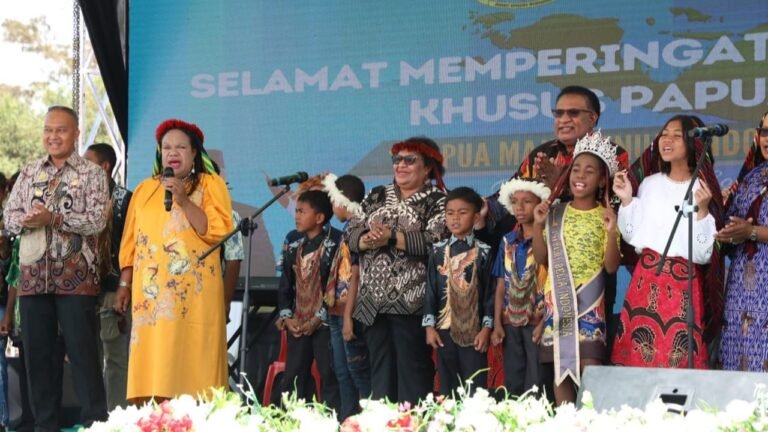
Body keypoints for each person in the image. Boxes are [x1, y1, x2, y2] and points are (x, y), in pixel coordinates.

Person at [2, 106, 109, 430]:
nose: (53, 136)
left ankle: (94, 424)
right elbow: (8, 219)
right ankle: (44, 426)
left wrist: (54, 219)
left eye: (61, 130)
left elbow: (97, 220)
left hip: (77, 280)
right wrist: (28, 220)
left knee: (83, 357)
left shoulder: (92, 174)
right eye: (48, 130)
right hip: (33, 280)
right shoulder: (29, 172)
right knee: (38, 361)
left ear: (76, 133)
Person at [114, 118, 234, 401]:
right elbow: (131, 242)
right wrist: (124, 284)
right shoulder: (145, 189)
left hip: (194, 297)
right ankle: (156, 416)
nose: (173, 153)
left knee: (194, 365)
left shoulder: (210, 184)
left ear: (194, 152)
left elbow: (217, 232)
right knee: (154, 364)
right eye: (167, 147)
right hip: (151, 296)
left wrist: (184, 200)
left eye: (181, 147)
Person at [611, 115, 724, 369]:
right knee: (640, 355)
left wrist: (703, 211)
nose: (667, 140)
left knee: (680, 358)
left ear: (693, 143)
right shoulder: (649, 184)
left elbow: (705, 254)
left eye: (676, 135)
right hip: (646, 280)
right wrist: (627, 200)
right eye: (664, 134)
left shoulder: (702, 189)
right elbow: (631, 235)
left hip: (684, 283)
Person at [347, 136, 448, 403]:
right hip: (372, 302)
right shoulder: (376, 195)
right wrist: (367, 239)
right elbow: (350, 232)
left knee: (412, 370)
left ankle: (413, 420)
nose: (400, 165)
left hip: (413, 302)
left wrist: (392, 237)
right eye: (397, 160)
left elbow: (437, 241)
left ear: (428, 167)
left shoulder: (438, 200)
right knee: (379, 373)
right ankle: (383, 421)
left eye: (409, 160)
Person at [531, 130, 621, 405]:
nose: (580, 176)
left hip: (590, 304)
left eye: (589, 171)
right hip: (557, 304)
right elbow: (542, 257)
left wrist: (611, 231)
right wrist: (537, 225)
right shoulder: (555, 213)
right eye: (576, 169)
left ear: (602, 180)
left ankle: (591, 421)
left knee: (590, 369)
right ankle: (566, 420)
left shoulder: (606, 216)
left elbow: (611, 267)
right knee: (561, 371)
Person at [423, 187, 493, 395]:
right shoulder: (437, 250)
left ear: (476, 216)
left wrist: (486, 328)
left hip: (474, 330)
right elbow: (431, 289)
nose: (455, 218)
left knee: (475, 387)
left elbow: (489, 293)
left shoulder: (484, 251)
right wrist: (429, 327)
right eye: (450, 213)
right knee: (448, 387)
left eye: (462, 213)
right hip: (444, 329)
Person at [276, 190, 341, 412]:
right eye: (296, 211)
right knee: (293, 377)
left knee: (329, 374)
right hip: (299, 323)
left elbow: (338, 285)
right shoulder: (293, 241)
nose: (296, 216)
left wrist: (318, 318)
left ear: (319, 217)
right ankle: (290, 421)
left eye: (302, 211)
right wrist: (287, 316)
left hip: (326, 323)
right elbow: (285, 282)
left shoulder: (336, 242)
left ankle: (332, 420)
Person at [717, 110, 768, 371]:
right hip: (741, 289)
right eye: (765, 132)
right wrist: (725, 221)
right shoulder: (751, 176)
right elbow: (734, 225)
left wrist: (751, 232)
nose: (767, 139)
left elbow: (749, 230)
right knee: (737, 364)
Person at [84, 143, 133, 411]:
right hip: (82, 291)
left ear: (104, 167)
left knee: (115, 357)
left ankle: (117, 417)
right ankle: (94, 417)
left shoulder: (125, 200)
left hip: (114, 290)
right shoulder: (78, 200)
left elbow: (132, 246)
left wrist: (124, 285)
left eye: (87, 162)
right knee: (88, 357)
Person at [490, 178, 549, 397]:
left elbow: (554, 285)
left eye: (527, 201)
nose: (520, 207)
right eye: (515, 202)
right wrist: (497, 322)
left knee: (537, 380)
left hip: (537, 320)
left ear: (541, 204)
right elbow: (500, 285)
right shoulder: (508, 241)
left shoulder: (548, 239)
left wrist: (544, 323)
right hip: (510, 321)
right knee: (513, 379)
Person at [322, 173, 370, 419]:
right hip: (337, 310)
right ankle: (347, 419)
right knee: (342, 372)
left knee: (358, 370)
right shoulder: (348, 228)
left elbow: (356, 275)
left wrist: (349, 317)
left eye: (333, 201)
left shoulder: (360, 228)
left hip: (349, 311)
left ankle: (368, 419)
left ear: (342, 201)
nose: (332, 207)